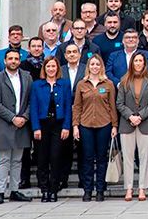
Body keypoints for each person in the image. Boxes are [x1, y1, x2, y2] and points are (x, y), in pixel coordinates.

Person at [0, 49, 33, 205]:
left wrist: (24, 117)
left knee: (17, 160)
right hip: (4, 124)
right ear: (5, 61)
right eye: (10, 58)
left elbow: (30, 101)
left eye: (16, 58)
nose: (13, 61)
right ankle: (1, 191)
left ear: (20, 61)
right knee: (4, 159)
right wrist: (12, 118)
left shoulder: (27, 77)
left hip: (22, 123)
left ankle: (14, 190)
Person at [72, 54, 118, 202]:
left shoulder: (108, 84)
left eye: (97, 64)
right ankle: (87, 189)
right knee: (87, 158)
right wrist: (75, 126)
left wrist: (114, 126)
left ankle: (100, 189)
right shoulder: (81, 84)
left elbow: (112, 106)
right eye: (92, 64)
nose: (95, 67)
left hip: (104, 124)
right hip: (85, 125)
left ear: (101, 66)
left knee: (102, 158)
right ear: (88, 66)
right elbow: (77, 107)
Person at [116, 51, 148, 202]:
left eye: (141, 61)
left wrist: (140, 116)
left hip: (145, 123)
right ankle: (129, 188)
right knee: (127, 158)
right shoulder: (124, 80)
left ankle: (142, 188)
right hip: (127, 124)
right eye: (136, 61)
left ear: (144, 63)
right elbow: (119, 103)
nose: (138, 63)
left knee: (144, 157)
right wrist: (130, 116)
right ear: (132, 63)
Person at [30, 56, 72, 202]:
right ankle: (44, 190)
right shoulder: (37, 85)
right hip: (42, 125)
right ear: (44, 69)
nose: (51, 69)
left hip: (58, 124)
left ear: (57, 68)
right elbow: (33, 108)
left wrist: (66, 127)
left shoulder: (65, 84)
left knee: (55, 157)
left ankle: (54, 190)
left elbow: (68, 108)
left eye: (53, 66)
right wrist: (36, 127)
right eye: (48, 66)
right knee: (42, 159)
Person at [58, 42, 85, 189]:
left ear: (80, 54)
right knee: (65, 148)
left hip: (84, 113)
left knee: (83, 148)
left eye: (75, 52)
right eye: (69, 52)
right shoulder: (60, 71)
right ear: (65, 55)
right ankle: (63, 178)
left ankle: (83, 178)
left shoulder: (86, 69)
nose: (72, 54)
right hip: (64, 114)